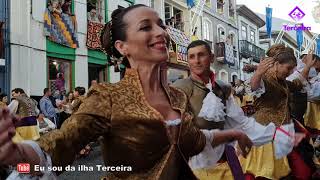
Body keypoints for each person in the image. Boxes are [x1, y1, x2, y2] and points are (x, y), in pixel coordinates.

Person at [0, 5, 253, 179]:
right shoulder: (107, 96)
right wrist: (17, 155)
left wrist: (236, 133)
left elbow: (197, 140)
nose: (161, 32)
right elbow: (59, 147)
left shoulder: (178, 97)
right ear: (123, 47)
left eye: (161, 25)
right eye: (146, 27)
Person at [172, 40, 276, 179]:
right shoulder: (180, 88)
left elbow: (239, 121)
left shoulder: (223, 88)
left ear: (212, 57)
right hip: (195, 163)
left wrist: (270, 133)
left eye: (201, 55)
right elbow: (176, 132)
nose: (196, 61)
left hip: (224, 159)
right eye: (192, 56)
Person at [242, 44, 313, 180]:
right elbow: (255, 86)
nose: (291, 72)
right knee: (267, 172)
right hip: (266, 132)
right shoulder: (266, 80)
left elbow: (298, 83)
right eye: (288, 68)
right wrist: (258, 73)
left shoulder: (283, 82)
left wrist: (308, 67)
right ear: (276, 65)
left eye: (293, 69)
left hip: (282, 130)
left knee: (291, 168)